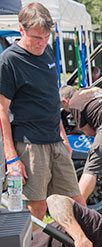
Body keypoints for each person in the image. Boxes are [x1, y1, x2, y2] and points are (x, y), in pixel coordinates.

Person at [0, 3, 86, 225]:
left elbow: (50, 99)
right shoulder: (9, 60)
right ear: (21, 30)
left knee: (77, 204)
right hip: (30, 144)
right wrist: (11, 157)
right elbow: (2, 110)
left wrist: (63, 136)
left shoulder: (46, 52)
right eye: (36, 37)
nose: (41, 42)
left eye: (46, 36)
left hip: (55, 141)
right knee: (37, 210)